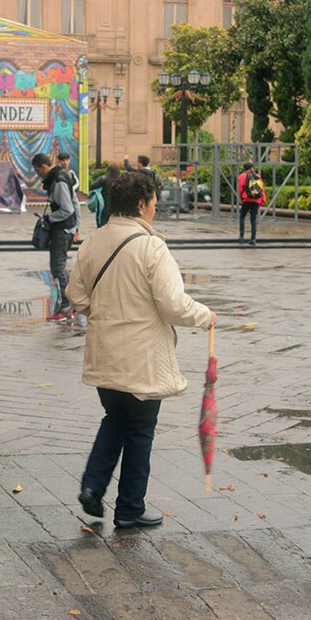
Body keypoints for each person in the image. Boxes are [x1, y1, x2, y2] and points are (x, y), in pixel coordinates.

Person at [67, 172, 214, 528]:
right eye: (153, 202)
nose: (155, 208)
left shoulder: (93, 242)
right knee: (139, 430)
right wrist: (206, 315)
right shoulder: (151, 247)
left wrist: (102, 311)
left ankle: (93, 485)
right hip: (142, 357)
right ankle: (130, 508)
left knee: (115, 418)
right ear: (141, 204)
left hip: (104, 350)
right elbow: (172, 305)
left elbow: (76, 295)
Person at [32, 153, 77, 320]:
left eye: (37, 171)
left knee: (58, 268)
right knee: (60, 267)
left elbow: (67, 209)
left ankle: (66, 306)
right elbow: (74, 205)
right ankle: (70, 303)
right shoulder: (60, 177)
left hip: (62, 230)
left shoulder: (58, 181)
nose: (38, 175)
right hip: (66, 229)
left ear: (43, 167)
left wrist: (50, 218)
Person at [236, 161, 266, 246]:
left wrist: (242, 198)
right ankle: (253, 239)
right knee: (253, 219)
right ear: (251, 168)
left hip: (247, 199)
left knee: (242, 216)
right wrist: (262, 200)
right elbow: (262, 189)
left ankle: (241, 237)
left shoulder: (241, 176)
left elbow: (241, 189)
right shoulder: (258, 176)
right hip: (257, 200)